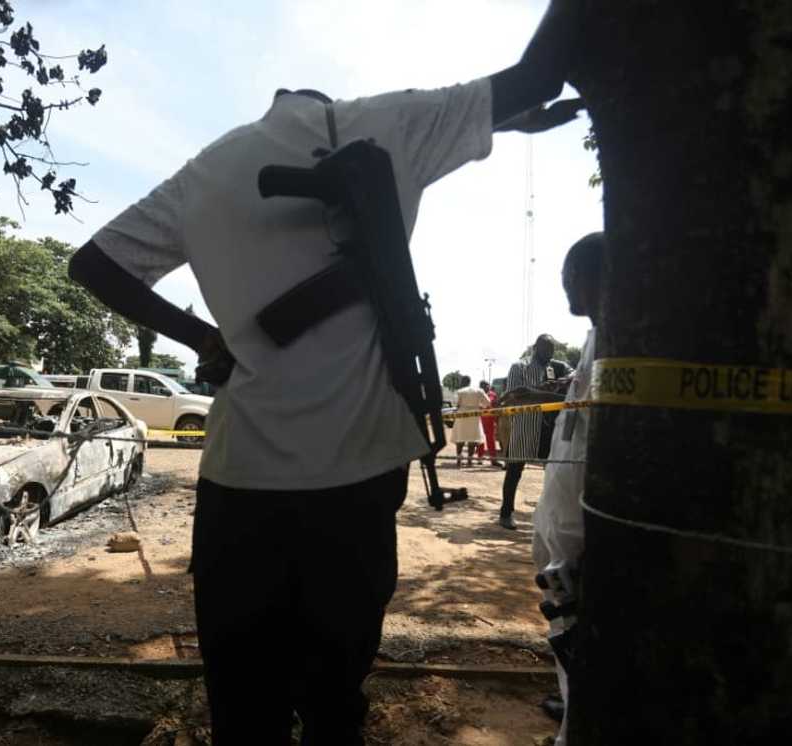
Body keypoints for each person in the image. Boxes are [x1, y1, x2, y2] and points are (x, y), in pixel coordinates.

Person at [67, 4, 580, 740]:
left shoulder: (207, 168)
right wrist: (500, 120)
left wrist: (204, 337)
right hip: (356, 479)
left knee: (243, 710)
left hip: (238, 484)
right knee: (335, 704)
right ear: (325, 106)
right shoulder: (395, 122)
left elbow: (93, 263)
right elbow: (538, 77)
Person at [530, 232, 605, 745]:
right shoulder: (595, 339)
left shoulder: (618, 341)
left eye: (570, 277)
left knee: (578, 628)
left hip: (579, 520)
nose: (566, 287)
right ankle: (571, 701)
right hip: (559, 511)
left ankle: (574, 729)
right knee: (562, 626)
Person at [497, 334, 572, 529]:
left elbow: (576, 375)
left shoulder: (557, 367)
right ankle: (506, 513)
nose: (549, 355)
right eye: (546, 350)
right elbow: (515, 396)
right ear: (536, 348)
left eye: (551, 351)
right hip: (526, 426)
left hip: (550, 428)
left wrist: (562, 381)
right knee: (514, 470)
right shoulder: (519, 367)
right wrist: (543, 391)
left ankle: (552, 515)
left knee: (554, 473)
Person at [453, 375, 490, 468]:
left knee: (460, 438)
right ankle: (469, 460)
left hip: (461, 416)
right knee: (472, 439)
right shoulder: (478, 391)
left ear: (462, 382)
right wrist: (480, 406)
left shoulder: (459, 391)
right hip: (474, 416)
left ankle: (459, 460)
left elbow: (455, 403)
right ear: (470, 382)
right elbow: (488, 402)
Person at [475, 380, 501, 466]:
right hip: (481, 420)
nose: (486, 387)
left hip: (489, 420)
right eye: (483, 386)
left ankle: (493, 460)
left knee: (490, 440)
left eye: (486, 386)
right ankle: (480, 458)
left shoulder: (491, 394)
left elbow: (494, 405)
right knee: (481, 440)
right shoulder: (479, 395)